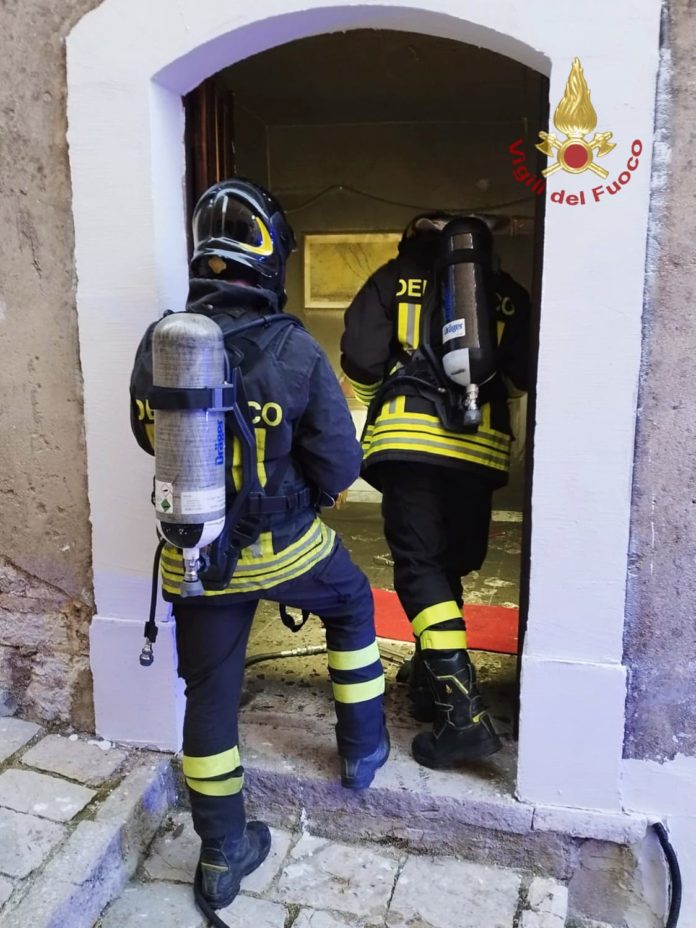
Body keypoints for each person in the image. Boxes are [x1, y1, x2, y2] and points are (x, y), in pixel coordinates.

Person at [130, 178, 388, 913]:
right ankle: (362, 750)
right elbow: (341, 464)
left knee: (209, 693)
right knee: (352, 602)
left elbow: (148, 432)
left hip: (199, 554)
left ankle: (220, 854)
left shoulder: (162, 342)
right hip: (287, 545)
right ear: (270, 259)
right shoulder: (295, 346)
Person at [340, 212, 530, 770]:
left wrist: (390, 393)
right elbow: (520, 373)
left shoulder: (392, 278)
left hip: (410, 439)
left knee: (419, 565)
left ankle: (461, 714)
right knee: (448, 563)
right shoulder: (504, 291)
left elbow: (362, 361)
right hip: (480, 445)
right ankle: (430, 677)